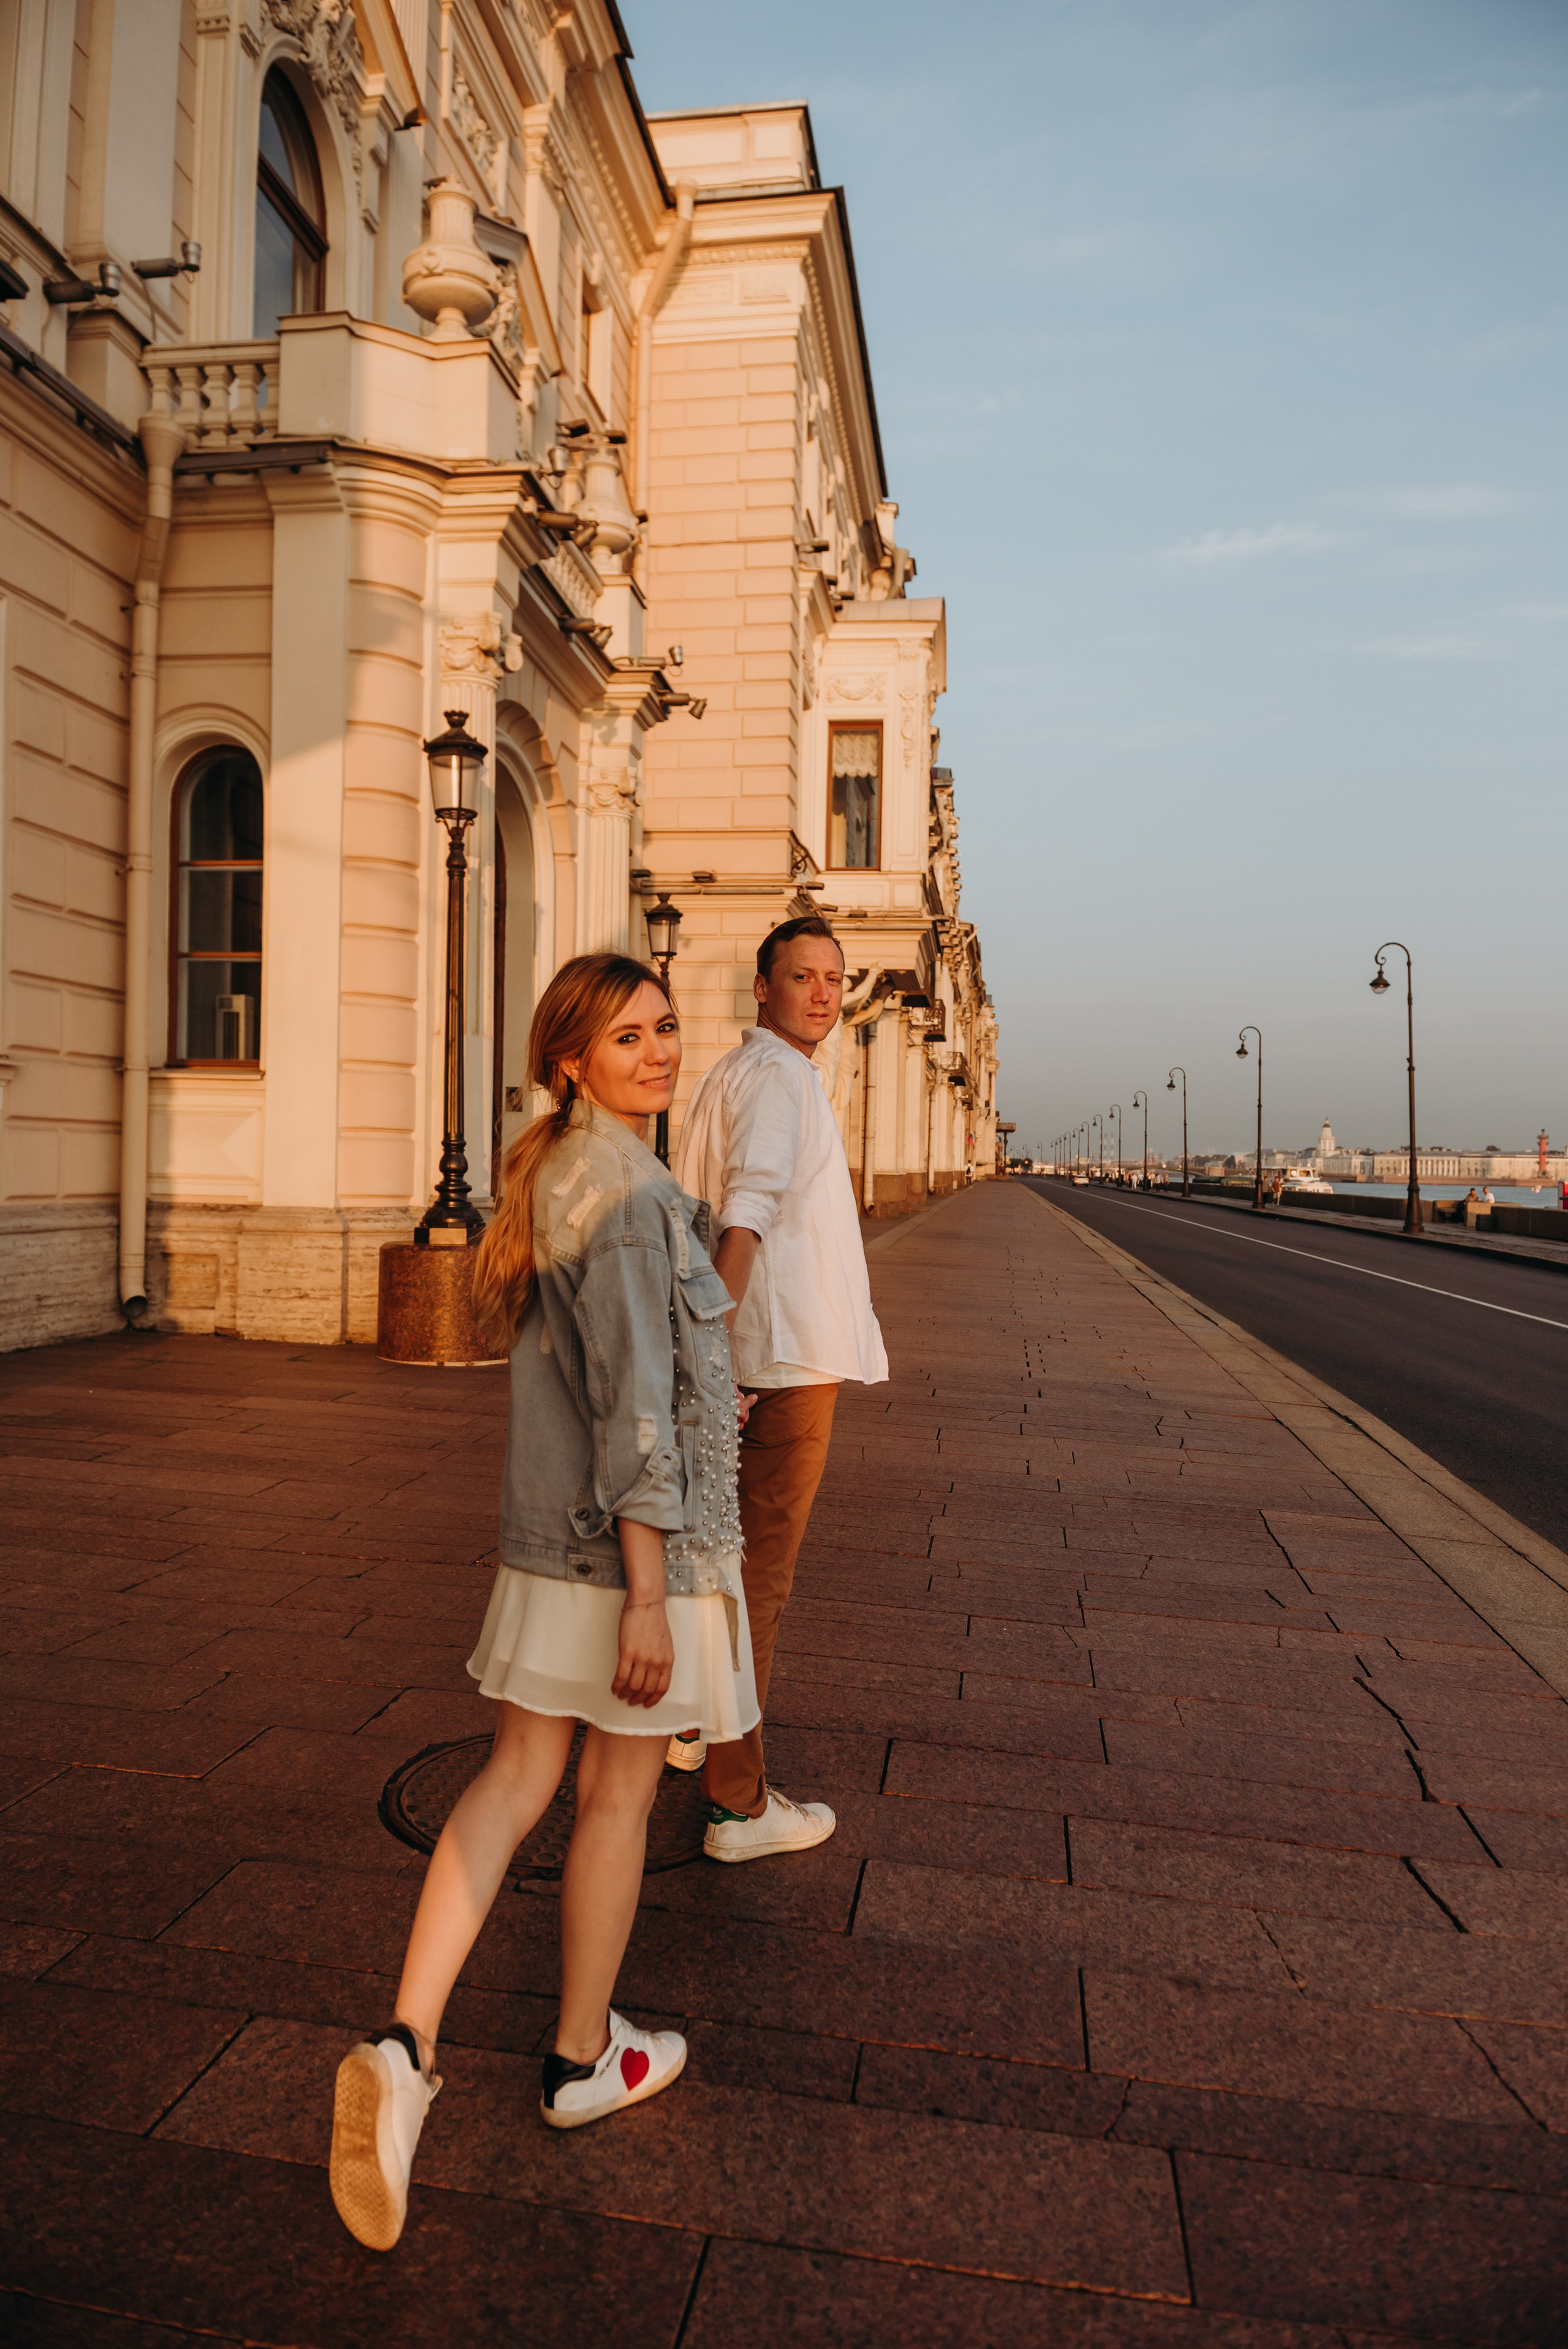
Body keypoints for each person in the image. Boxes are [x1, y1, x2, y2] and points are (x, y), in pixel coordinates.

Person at [328, 952, 756, 2252]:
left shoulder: (555, 1170)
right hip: (633, 1559)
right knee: (616, 1795)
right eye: (628, 1036)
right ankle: (582, 2056)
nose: (660, 1051)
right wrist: (643, 1592)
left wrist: (703, 1394)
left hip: (542, 1549)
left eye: (667, 1028)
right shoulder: (626, 1194)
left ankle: (406, 2043)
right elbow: (630, 1408)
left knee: (511, 1782)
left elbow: (613, 1377)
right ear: (568, 1056)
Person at [671, 914, 888, 1861]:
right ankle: (739, 1804)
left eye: (835, 979)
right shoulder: (782, 1079)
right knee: (758, 1579)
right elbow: (747, 1208)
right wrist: (716, 1346)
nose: (824, 993)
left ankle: (690, 1726)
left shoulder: (735, 1072)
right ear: (763, 988)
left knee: (722, 1559)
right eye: (803, 977)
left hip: (759, 1349)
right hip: (783, 1358)